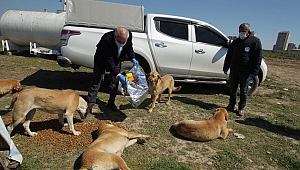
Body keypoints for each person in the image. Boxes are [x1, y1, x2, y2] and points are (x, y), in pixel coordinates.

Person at [85, 27, 139, 117]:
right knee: (96, 81)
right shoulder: (106, 40)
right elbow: (108, 60)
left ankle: (111, 103)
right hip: (102, 60)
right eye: (120, 42)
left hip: (117, 60)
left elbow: (129, 47)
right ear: (115, 37)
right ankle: (90, 104)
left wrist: (132, 57)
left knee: (114, 82)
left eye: (123, 42)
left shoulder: (128, 36)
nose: (122, 44)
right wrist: (118, 74)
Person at [223, 23, 263, 116]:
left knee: (243, 90)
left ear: (248, 31)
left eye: (243, 31)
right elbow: (229, 55)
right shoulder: (236, 42)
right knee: (233, 88)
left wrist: (255, 71)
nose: (241, 33)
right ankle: (231, 105)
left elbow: (258, 57)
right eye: (240, 31)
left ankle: (241, 108)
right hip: (234, 69)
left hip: (246, 71)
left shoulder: (255, 42)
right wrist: (226, 66)